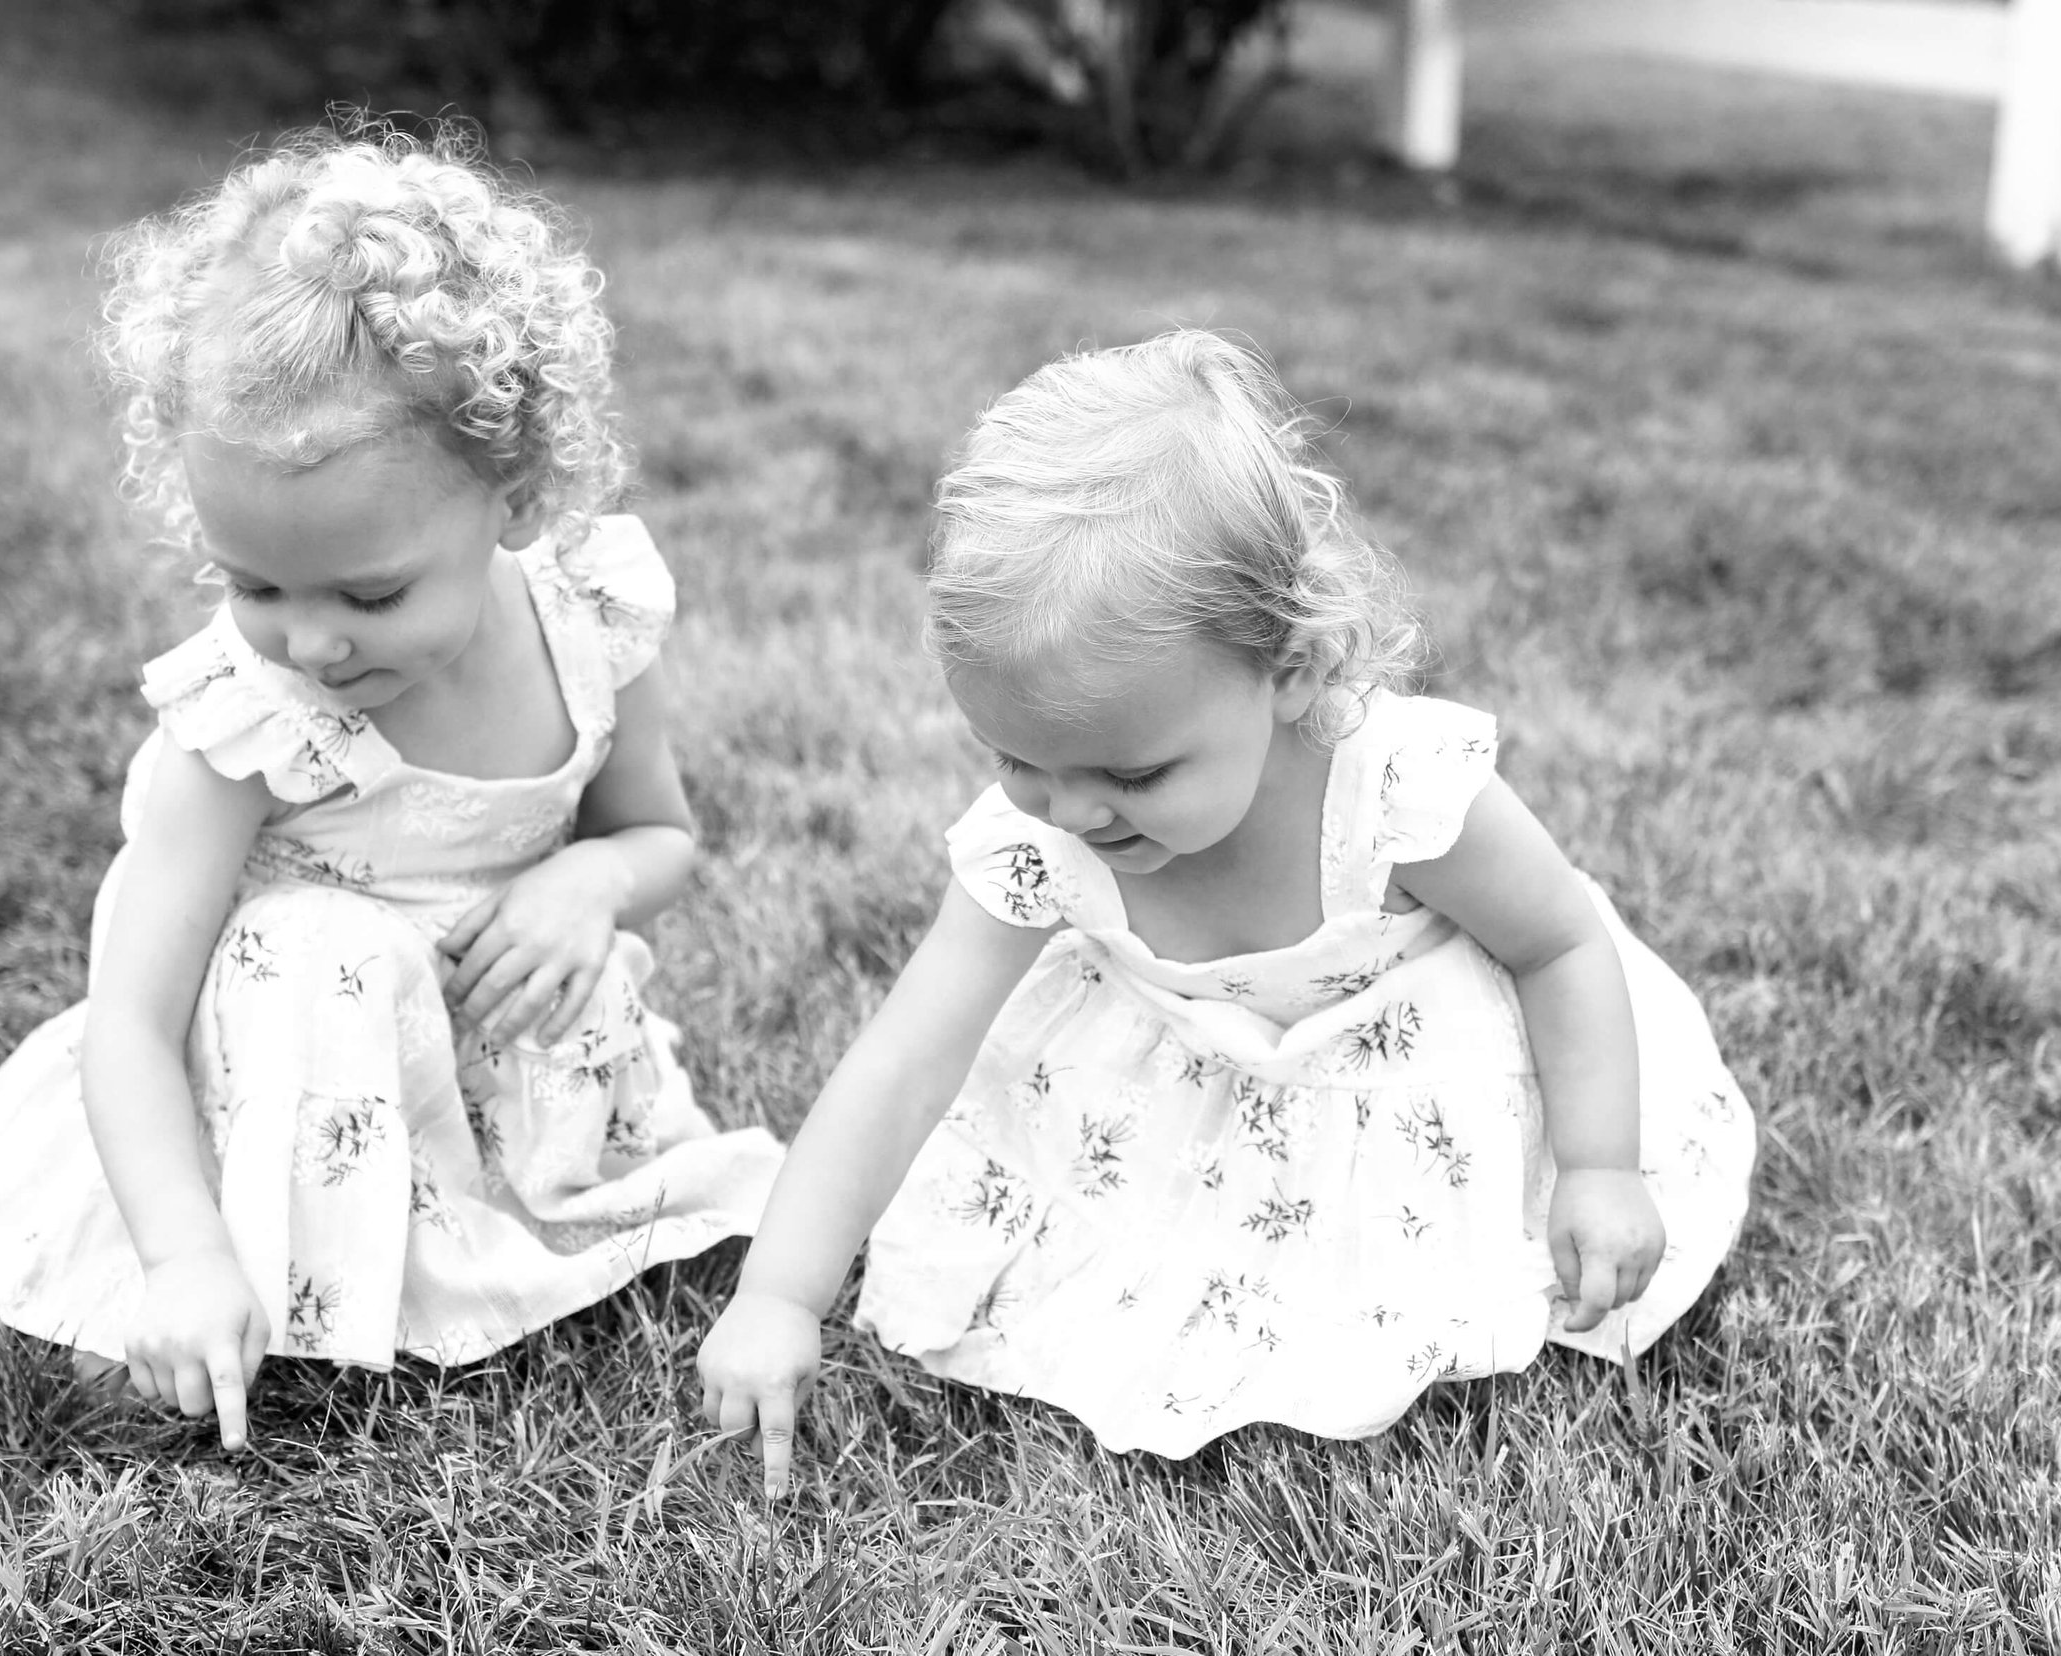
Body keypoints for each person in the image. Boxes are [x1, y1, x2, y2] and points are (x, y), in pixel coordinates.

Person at [696, 330, 1754, 1488]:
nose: (1072, 813)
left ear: (1291, 667)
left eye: (1133, 777)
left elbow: (1558, 945)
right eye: (1016, 758)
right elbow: (904, 1060)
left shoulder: (1392, 785)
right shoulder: (1037, 838)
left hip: (1413, 1087)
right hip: (1187, 1089)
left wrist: (1600, 1165)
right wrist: (779, 1292)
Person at [0, 120, 781, 1450]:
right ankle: (284, 1258)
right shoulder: (245, 720)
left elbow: (659, 833)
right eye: (253, 583)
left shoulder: (594, 619)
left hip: (487, 1064)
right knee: (323, 944)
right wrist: (184, 1256)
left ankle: (488, 1215)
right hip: (283, 1087)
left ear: (513, 494)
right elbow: (131, 1020)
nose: (310, 642)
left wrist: (586, 881)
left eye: (369, 592)